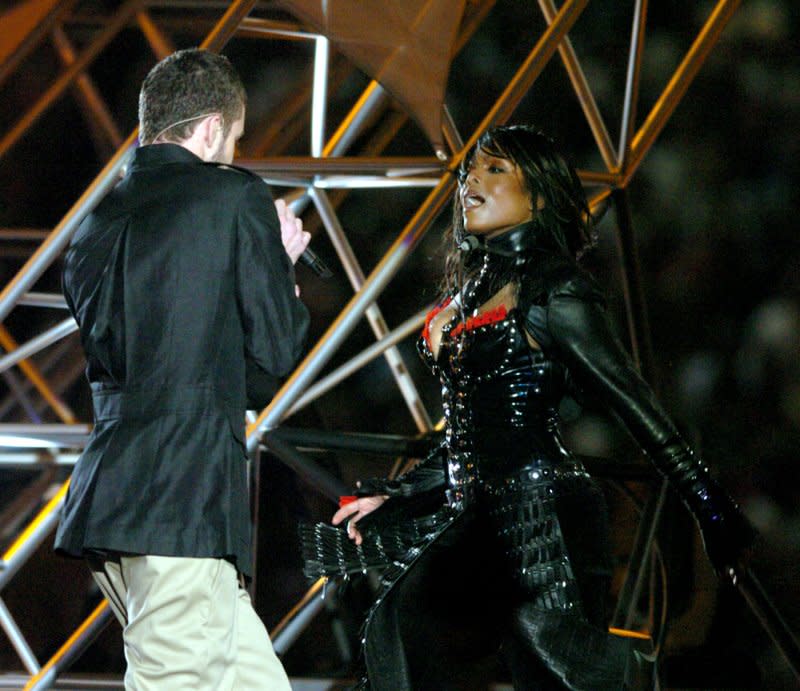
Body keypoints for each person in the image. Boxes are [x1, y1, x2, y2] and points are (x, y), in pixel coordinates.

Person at [302, 125, 753, 690]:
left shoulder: (557, 293)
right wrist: (396, 495)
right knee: (399, 630)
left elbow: (637, 407)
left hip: (544, 519)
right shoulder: (468, 294)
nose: (471, 180)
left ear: (537, 196)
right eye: (470, 169)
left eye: (494, 171)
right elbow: (468, 432)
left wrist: (710, 507)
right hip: (476, 516)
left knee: (551, 674)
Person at [54, 49, 310, 690]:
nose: (233, 154)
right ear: (208, 128)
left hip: (115, 505)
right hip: (183, 508)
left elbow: (189, 365)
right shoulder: (232, 197)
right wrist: (279, 263)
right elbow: (274, 356)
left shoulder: (92, 226)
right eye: (235, 139)